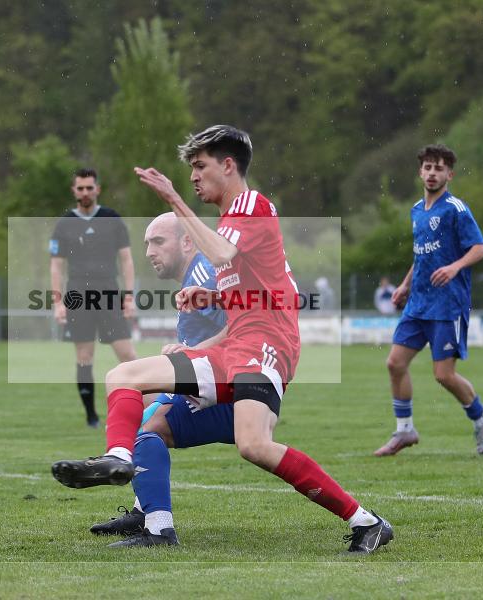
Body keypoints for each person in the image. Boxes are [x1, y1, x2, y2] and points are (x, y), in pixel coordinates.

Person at [52, 125, 393, 554]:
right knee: (125, 375)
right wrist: (213, 295)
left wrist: (173, 200)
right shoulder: (233, 220)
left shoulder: (250, 205)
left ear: (228, 165)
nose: (194, 176)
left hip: (264, 349)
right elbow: (268, 286)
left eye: (200, 165)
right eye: (191, 169)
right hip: (236, 349)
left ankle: (367, 521)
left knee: (254, 444)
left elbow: (221, 256)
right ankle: (121, 462)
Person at [90, 212, 233, 547]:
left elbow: (243, 326)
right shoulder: (196, 274)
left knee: (144, 427)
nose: (150, 251)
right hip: (216, 386)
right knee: (141, 421)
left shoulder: (204, 272)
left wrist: (193, 351)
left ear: (186, 242)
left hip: (232, 394)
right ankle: (144, 511)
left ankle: (158, 528)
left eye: (158, 241)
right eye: (146, 244)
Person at [375, 144, 483, 457]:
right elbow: (422, 256)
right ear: (420, 172)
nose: (432, 173)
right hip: (419, 303)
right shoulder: (417, 210)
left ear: (449, 175)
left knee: (443, 375)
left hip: (447, 305)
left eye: (439, 168)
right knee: (395, 363)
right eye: (427, 167)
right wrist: (403, 286)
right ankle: (405, 430)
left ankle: (481, 417)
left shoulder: (455, 209)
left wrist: (455, 267)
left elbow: (480, 248)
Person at [49, 168, 137, 427]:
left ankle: (145, 411)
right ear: (73, 190)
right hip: (77, 293)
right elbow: (56, 266)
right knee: (84, 357)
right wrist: (57, 302)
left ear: (97, 189)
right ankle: (91, 416)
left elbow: (126, 259)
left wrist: (129, 296)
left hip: (109, 291)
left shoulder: (112, 218)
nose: (85, 192)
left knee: (128, 355)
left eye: (90, 187)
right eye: (80, 188)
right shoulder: (64, 224)